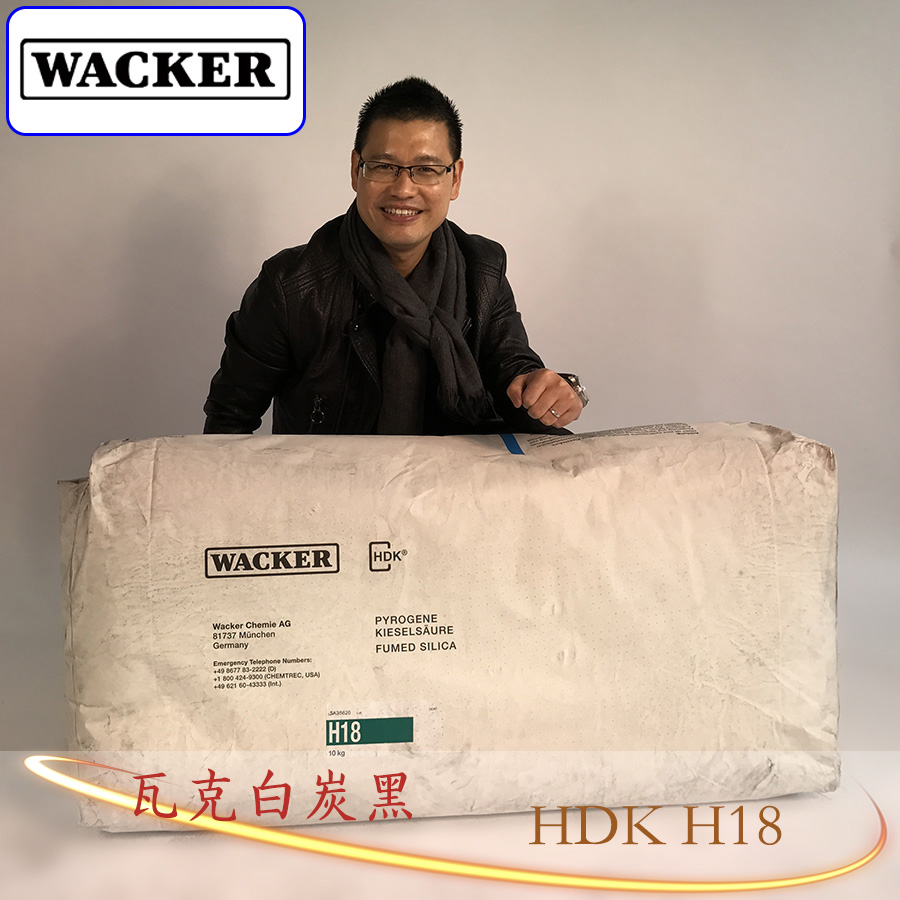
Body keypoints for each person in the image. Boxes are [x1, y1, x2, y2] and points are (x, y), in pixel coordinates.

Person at [203, 76, 588, 436]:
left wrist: (547, 392)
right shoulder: (290, 286)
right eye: (384, 166)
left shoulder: (483, 269)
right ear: (356, 170)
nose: (404, 189)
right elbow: (228, 423)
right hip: (327, 483)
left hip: (454, 482)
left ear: (455, 178)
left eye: (426, 169)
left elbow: (512, 371)